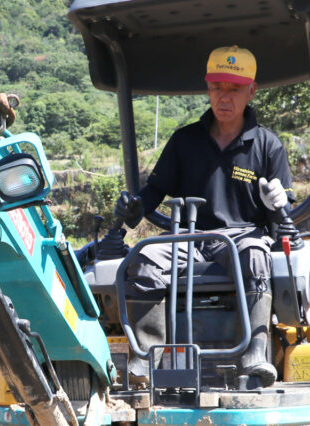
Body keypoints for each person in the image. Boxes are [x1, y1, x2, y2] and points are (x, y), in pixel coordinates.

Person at [115, 46, 295, 388]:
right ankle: (149, 359)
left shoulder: (268, 145)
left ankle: (255, 353)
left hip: (242, 239)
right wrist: (136, 206)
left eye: (234, 89)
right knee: (145, 259)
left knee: (257, 258)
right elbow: (155, 189)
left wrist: (277, 202)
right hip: (189, 240)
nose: (223, 98)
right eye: (217, 88)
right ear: (208, 88)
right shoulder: (185, 140)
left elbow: (281, 214)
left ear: (251, 91)